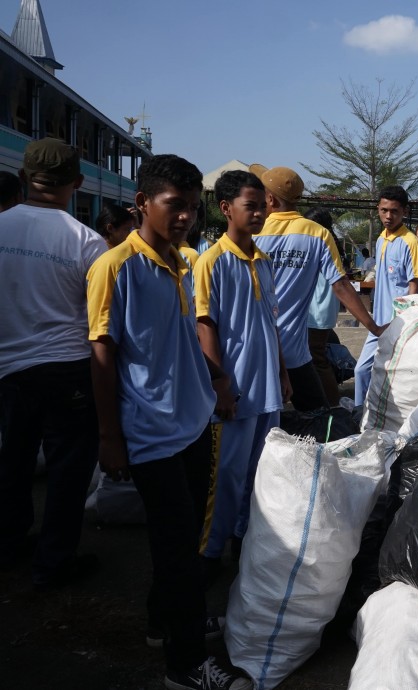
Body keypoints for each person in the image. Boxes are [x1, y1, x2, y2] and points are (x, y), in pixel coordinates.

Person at [87, 154, 251, 689]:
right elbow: (103, 355)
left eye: (191, 207)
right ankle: (185, 668)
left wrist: (215, 376)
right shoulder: (115, 268)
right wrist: (110, 438)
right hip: (151, 433)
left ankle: (166, 622)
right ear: (142, 204)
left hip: (192, 424)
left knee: (180, 542)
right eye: (173, 206)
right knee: (179, 549)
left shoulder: (181, 262)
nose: (185, 217)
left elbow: (180, 340)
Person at [0, 138, 106, 589]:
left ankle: (8, 543)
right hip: (68, 370)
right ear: (77, 183)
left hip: (8, 370)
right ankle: (53, 561)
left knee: (12, 462)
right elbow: (102, 321)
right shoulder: (87, 241)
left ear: (24, 177)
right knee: (67, 470)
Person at [193, 170, 291, 573]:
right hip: (235, 393)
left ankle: (241, 544)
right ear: (225, 209)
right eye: (249, 207)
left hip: (266, 390)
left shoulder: (263, 261)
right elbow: (205, 324)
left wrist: (283, 374)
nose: (258, 214)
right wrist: (220, 384)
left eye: (261, 206)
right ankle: (208, 556)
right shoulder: (211, 261)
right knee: (226, 480)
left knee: (259, 477)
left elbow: (272, 324)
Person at [251, 165, 381, 411]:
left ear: (269, 198)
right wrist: (373, 327)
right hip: (295, 351)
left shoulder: (253, 233)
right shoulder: (318, 233)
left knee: (262, 421)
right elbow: (341, 285)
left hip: (258, 347)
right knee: (316, 419)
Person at [353, 185, 418, 406]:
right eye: (384, 210)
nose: (388, 216)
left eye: (394, 211)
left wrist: (409, 323)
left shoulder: (410, 241)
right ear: (378, 209)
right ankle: (358, 414)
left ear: (405, 211)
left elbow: (414, 286)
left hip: (398, 324)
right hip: (378, 323)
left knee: (396, 378)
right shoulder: (381, 239)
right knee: (361, 370)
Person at [303, 207, 344, 406]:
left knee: (317, 357)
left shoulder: (322, 243)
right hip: (320, 307)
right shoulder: (329, 242)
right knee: (316, 355)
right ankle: (326, 401)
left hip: (317, 308)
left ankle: (331, 404)